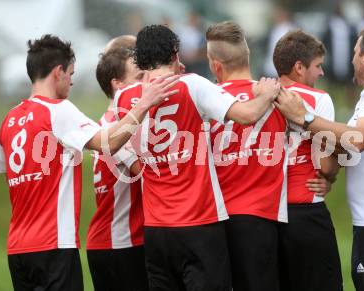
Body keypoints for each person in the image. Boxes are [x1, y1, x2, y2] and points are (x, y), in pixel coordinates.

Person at [0, 34, 179, 291]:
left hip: (17, 249)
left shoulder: (9, 120)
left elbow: (10, 175)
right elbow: (109, 141)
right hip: (54, 244)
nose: (71, 80)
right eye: (70, 73)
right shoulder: (58, 110)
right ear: (58, 72)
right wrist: (145, 103)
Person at [114, 24, 281, 291]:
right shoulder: (192, 84)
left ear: (140, 59)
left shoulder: (123, 97)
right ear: (174, 53)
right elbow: (247, 115)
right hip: (199, 222)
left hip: (156, 227)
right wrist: (266, 95)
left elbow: (121, 142)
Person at [275, 27, 364, 291]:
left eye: (354, 52)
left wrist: (304, 118)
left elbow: (359, 138)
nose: (351, 59)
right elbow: (343, 146)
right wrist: (329, 175)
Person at [205, 20, 287, 291]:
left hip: (214, 219)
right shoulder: (277, 96)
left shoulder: (205, 101)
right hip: (262, 217)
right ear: (248, 55)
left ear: (216, 64)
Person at [272, 30, 343, 291]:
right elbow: (325, 165)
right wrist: (332, 175)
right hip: (305, 210)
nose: (321, 73)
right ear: (299, 67)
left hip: (264, 216)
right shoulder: (318, 99)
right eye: (318, 66)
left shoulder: (257, 98)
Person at [86, 37, 148, 291]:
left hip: (123, 242)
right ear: (118, 84)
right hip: (118, 244)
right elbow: (149, 174)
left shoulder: (122, 121)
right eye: (140, 76)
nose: (147, 82)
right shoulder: (115, 126)